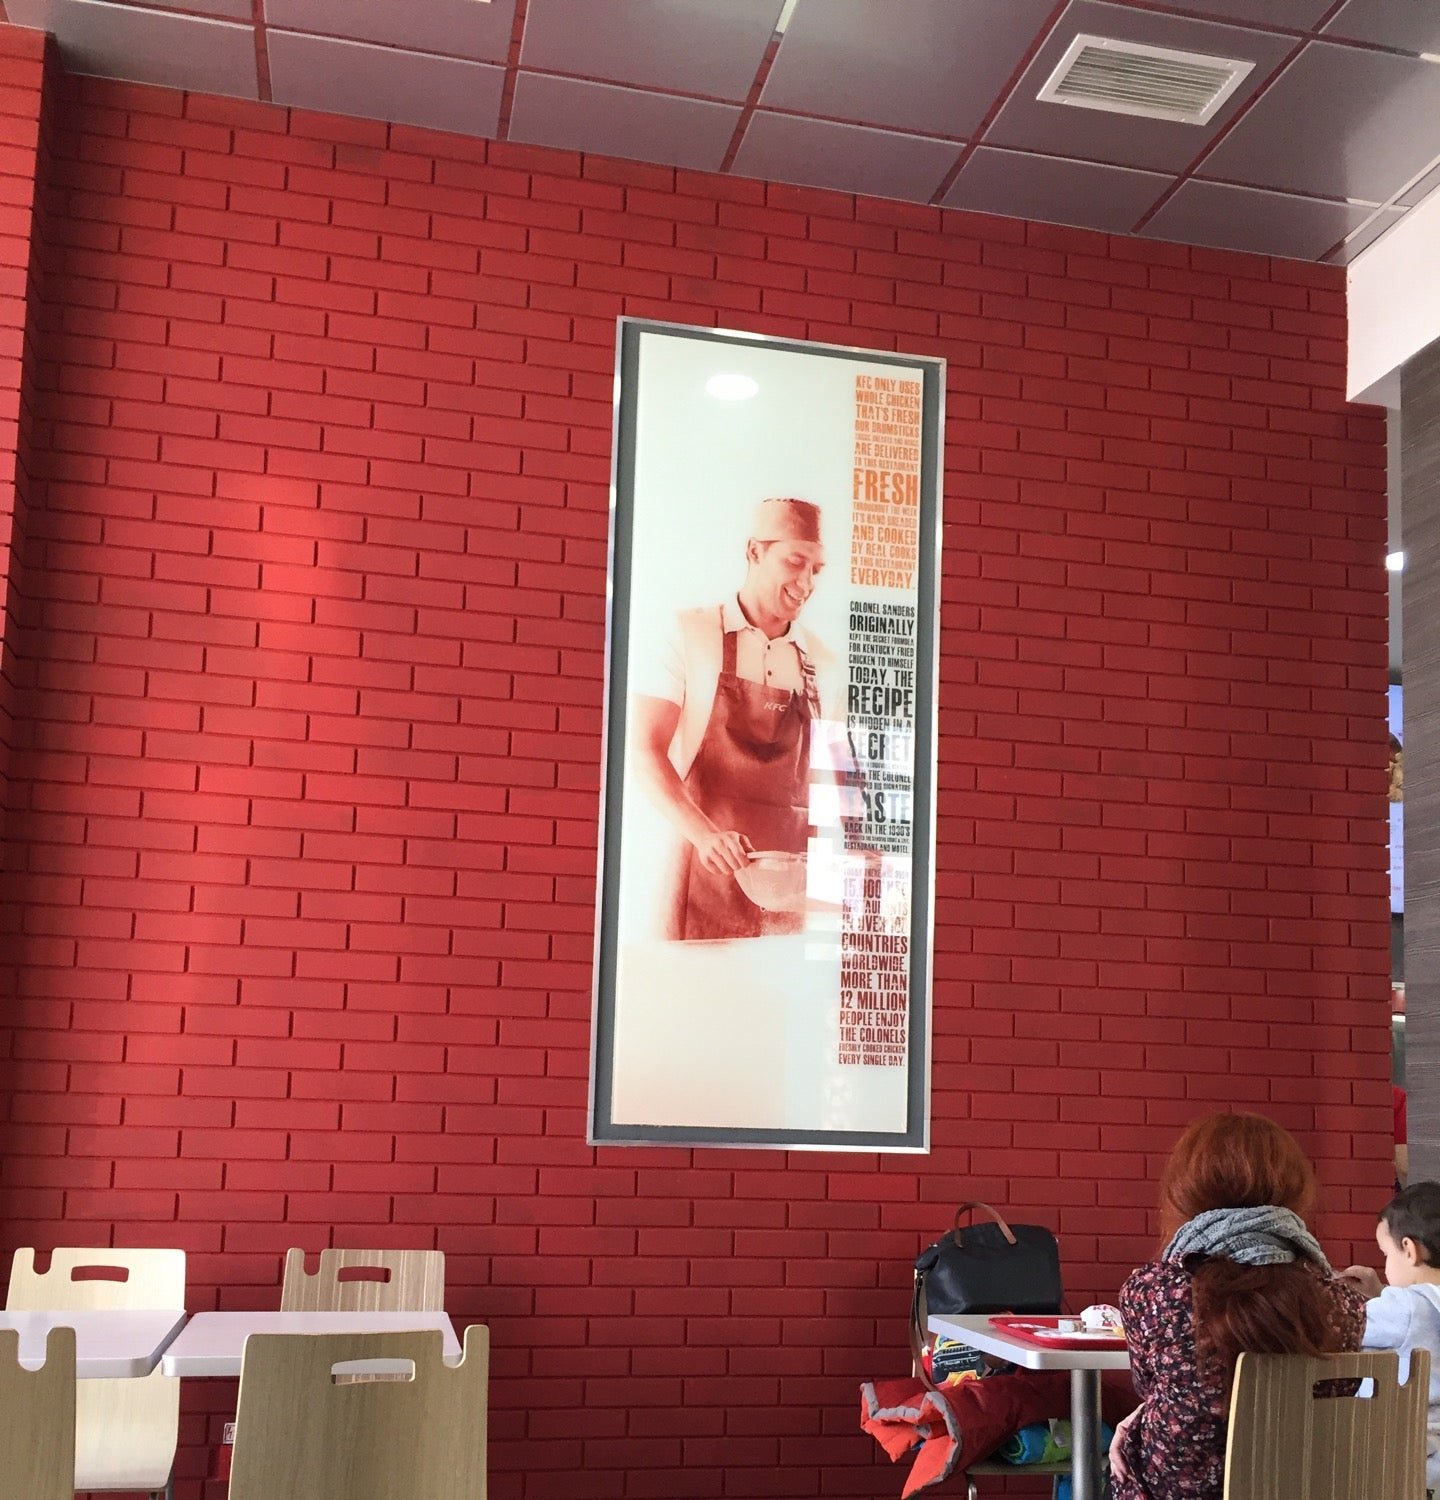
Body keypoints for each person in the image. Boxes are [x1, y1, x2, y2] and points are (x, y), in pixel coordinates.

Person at [1108, 1112, 1366, 1500]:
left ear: (1184, 1192)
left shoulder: (1153, 1291)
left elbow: (1155, 1389)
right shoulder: (1345, 1302)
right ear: (1295, 1189)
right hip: (1307, 1486)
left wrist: (1142, 1418)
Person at [629, 497, 840, 942]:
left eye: (817, 569)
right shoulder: (690, 633)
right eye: (795, 562)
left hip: (788, 895)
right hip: (702, 875)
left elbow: (836, 781)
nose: (806, 582)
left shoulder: (824, 662)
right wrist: (706, 837)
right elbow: (644, 749)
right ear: (754, 551)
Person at [1342, 1181, 1440, 1487]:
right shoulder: (1415, 1307)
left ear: (1409, 1250)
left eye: (1386, 1253)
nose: (1384, 1264)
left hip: (1407, 1455)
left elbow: (1344, 1327)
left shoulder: (1404, 1307)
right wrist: (1379, 1293)